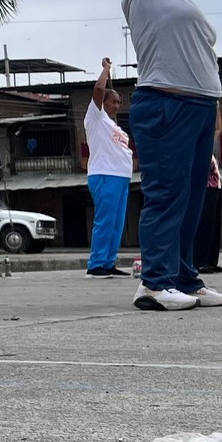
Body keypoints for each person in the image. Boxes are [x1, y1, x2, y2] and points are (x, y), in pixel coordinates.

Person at [99, 0, 222, 311]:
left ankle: (185, 278)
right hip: (166, 105)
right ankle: (154, 283)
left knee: (193, 200)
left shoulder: (183, 4)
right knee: (167, 196)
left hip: (199, 107)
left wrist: (214, 111)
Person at [82, 57, 134, 278]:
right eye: (113, 101)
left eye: (119, 102)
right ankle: (96, 264)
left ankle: (108, 262)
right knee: (105, 221)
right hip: (104, 175)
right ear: (103, 103)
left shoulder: (114, 126)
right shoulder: (95, 117)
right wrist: (106, 69)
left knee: (116, 223)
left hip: (121, 177)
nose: (116, 105)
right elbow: (99, 90)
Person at [196, 156, 222, 274]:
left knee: (215, 226)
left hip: (216, 184)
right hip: (206, 186)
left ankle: (211, 261)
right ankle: (200, 261)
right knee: (205, 224)